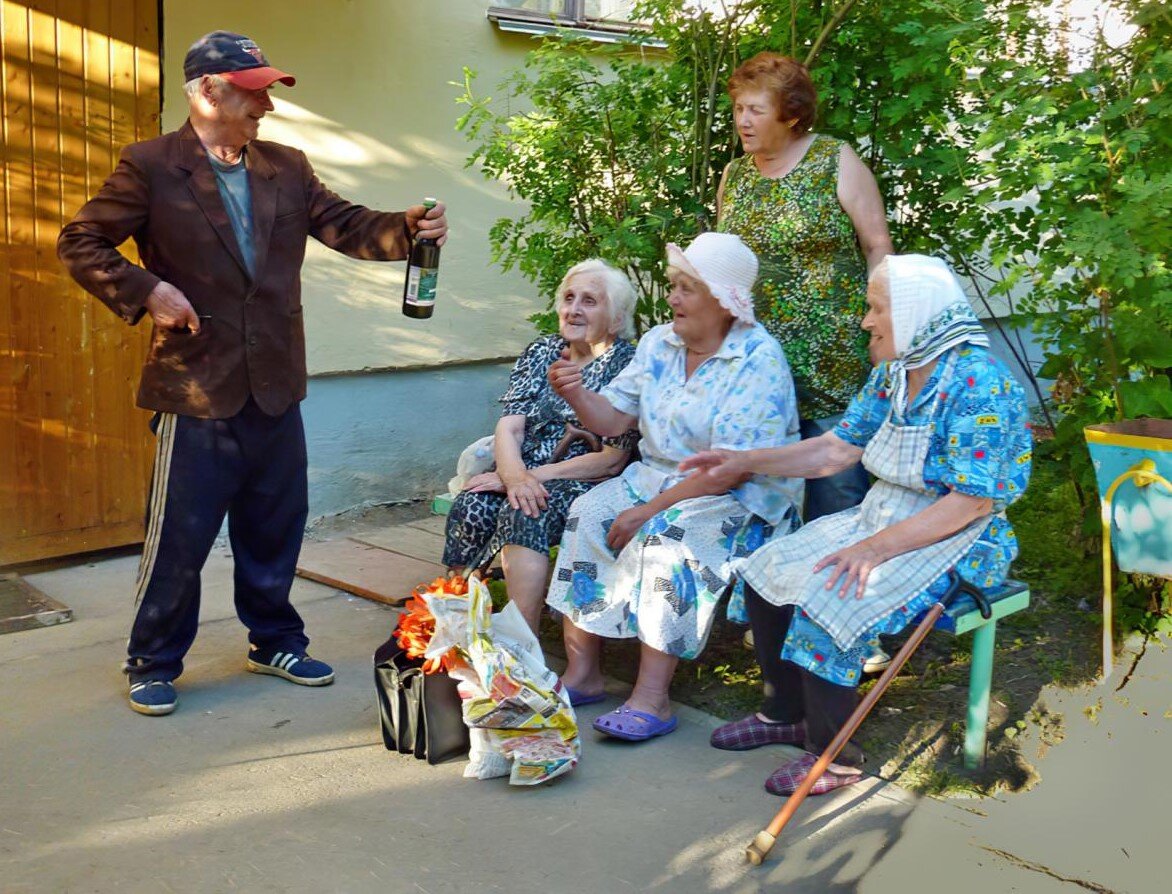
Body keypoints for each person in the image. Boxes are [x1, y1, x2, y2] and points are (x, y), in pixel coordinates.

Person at [56, 31, 448, 717]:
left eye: (267, 90)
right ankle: (152, 658)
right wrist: (148, 289)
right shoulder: (151, 167)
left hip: (274, 383)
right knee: (181, 535)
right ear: (208, 92)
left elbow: (347, 225)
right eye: (254, 90)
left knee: (275, 525)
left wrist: (406, 227)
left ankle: (274, 641)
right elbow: (80, 241)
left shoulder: (285, 167)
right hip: (196, 387)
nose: (266, 103)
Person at [681, 255, 1032, 795]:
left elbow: (971, 503)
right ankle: (787, 714)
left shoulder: (981, 384)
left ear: (915, 311)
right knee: (765, 568)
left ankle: (835, 756)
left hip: (961, 539)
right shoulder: (895, 372)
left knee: (833, 592)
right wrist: (745, 460)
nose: (867, 321)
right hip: (885, 515)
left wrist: (873, 550)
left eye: (876, 308)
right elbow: (834, 449)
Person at [544, 232, 802, 739]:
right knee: (590, 512)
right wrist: (576, 395)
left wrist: (648, 511)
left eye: (687, 289)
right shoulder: (658, 343)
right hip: (657, 476)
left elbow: (733, 469)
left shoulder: (758, 359)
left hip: (737, 495)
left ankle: (652, 699)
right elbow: (615, 419)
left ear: (724, 302)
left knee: (667, 541)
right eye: (673, 286)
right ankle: (584, 673)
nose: (673, 298)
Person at [717, 50, 896, 672]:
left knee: (836, 485)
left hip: (835, 356)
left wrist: (883, 328)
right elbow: (725, 264)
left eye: (754, 109)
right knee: (766, 484)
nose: (741, 120)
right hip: (759, 362)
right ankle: (774, 613)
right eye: (738, 108)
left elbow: (878, 246)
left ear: (791, 116)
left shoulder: (834, 160)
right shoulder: (736, 176)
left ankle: (851, 626)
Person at [442, 260, 638, 633]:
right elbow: (510, 426)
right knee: (472, 503)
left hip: (585, 482)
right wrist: (512, 475)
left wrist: (524, 480)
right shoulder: (542, 350)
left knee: (526, 509)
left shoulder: (627, 363)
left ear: (616, 318)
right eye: (569, 298)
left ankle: (522, 640)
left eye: (590, 301)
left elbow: (612, 459)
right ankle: (460, 624)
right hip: (521, 472)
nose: (574, 309)